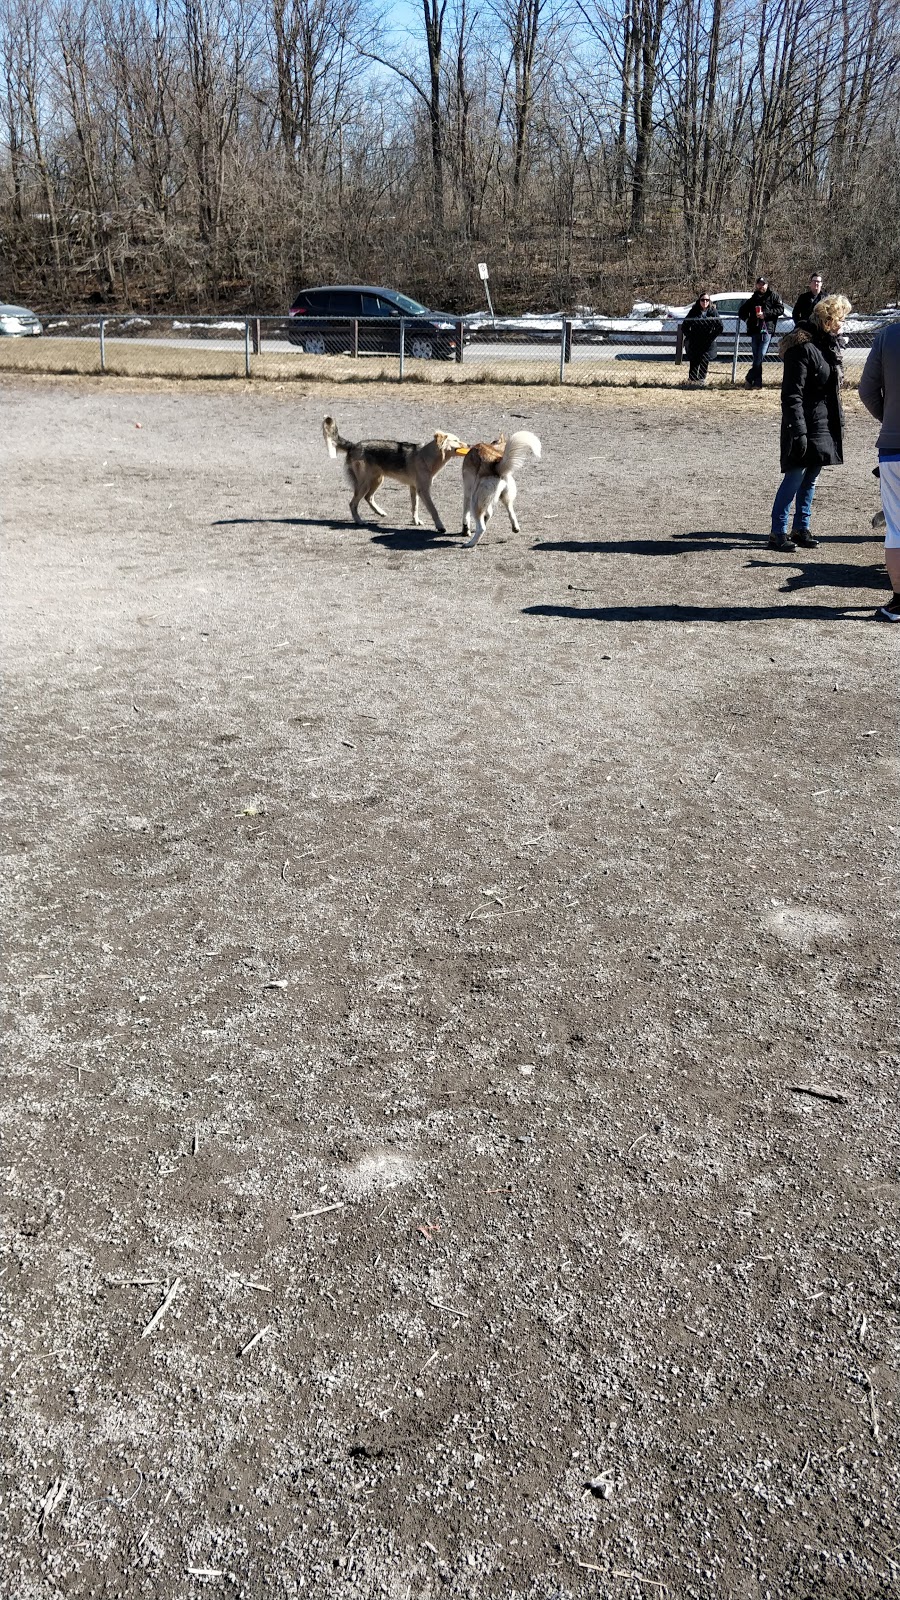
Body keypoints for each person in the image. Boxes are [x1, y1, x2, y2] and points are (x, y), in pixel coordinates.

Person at [769, 294, 851, 552]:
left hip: (822, 422)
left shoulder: (826, 345)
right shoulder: (802, 348)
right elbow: (792, 395)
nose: (843, 325)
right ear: (829, 320)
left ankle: (801, 527)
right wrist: (798, 431)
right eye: (841, 320)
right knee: (794, 477)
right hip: (804, 423)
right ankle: (777, 532)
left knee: (812, 477)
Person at [859, 318, 900, 621]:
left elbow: (867, 390)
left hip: (895, 446)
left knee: (897, 528)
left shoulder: (888, 335)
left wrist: (889, 420)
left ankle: (899, 601)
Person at [738, 275, 785, 388]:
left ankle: (749, 378)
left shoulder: (773, 296)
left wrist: (765, 314)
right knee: (756, 357)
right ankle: (757, 383)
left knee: (760, 355)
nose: (761, 286)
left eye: (763, 284)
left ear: (767, 285)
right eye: (759, 284)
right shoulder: (753, 298)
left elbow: (780, 309)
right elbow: (741, 311)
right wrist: (748, 320)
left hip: (767, 330)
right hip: (755, 330)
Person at [680, 294, 724, 384]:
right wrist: (691, 336)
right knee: (694, 360)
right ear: (699, 301)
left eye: (707, 300)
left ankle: (701, 380)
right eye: (702, 300)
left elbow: (720, 326)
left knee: (705, 360)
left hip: (708, 341)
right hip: (695, 341)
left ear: (709, 301)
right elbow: (685, 326)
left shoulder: (713, 311)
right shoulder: (694, 311)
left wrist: (712, 336)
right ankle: (692, 380)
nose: (705, 302)